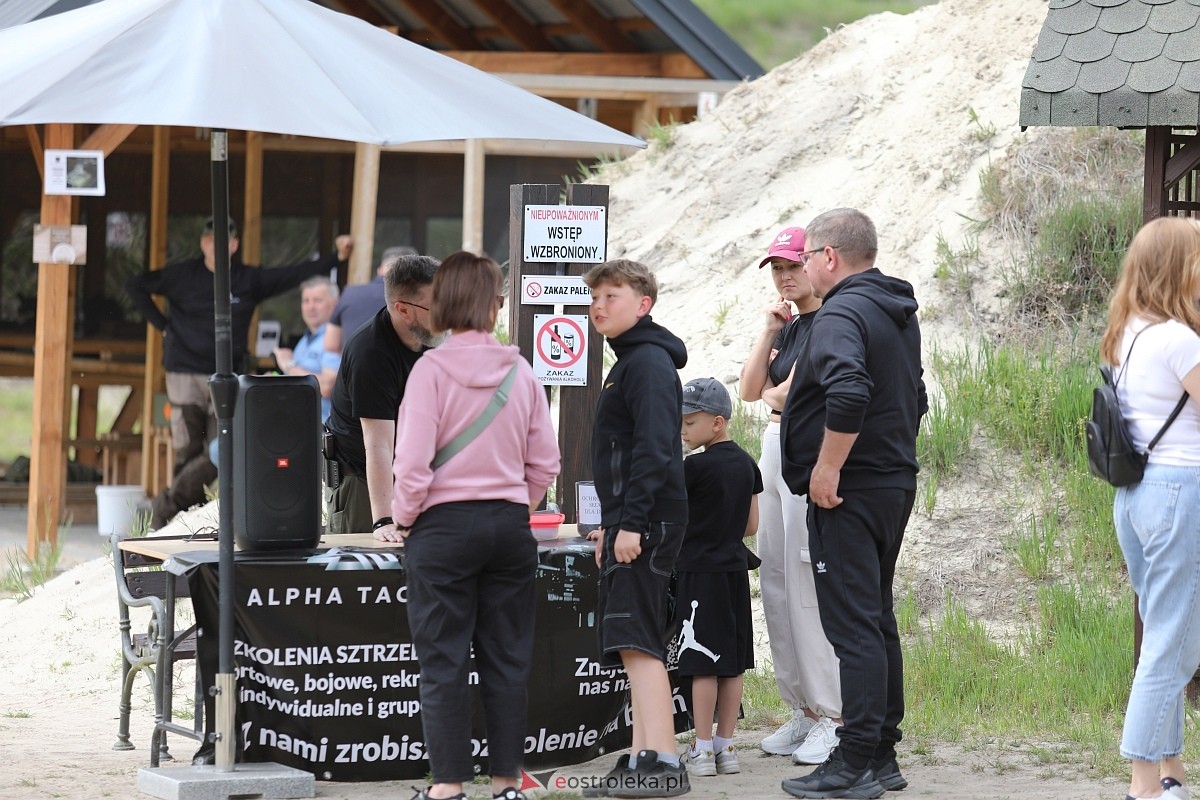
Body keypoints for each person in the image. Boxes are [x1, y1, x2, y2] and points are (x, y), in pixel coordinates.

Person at [377, 251, 560, 800]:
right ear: (493, 306)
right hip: (508, 528)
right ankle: (506, 784)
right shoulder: (521, 372)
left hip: (442, 530)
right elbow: (545, 462)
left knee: (444, 662)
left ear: (444, 304)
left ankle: (449, 787)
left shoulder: (430, 372)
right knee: (508, 660)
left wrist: (405, 518)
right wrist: (515, 505)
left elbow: (410, 466)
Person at [779, 208, 926, 799]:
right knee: (876, 618)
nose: (803, 266)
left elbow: (849, 390)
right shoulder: (895, 310)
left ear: (829, 257)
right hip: (891, 482)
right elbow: (914, 394)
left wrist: (829, 466)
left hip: (850, 489)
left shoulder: (841, 312)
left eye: (806, 256)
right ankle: (882, 754)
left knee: (853, 625)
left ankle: (855, 760)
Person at [126, 216, 352, 527]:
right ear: (203, 243)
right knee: (187, 447)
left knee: (220, 449)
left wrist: (336, 258)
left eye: (223, 241)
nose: (216, 246)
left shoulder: (247, 279)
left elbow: (291, 274)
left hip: (226, 375)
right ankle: (175, 519)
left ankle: (181, 512)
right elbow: (135, 285)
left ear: (234, 245)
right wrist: (163, 327)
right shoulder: (182, 275)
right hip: (184, 374)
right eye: (210, 240)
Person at [1099, 216, 1200, 800]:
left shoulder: (1128, 333)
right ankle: (1143, 786)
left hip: (1136, 495)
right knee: (1172, 643)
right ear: (1179, 267)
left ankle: (1171, 772)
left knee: (1165, 632)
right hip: (1181, 492)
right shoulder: (1181, 340)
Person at [582, 259, 690, 798]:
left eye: (612, 295)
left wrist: (631, 524)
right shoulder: (632, 359)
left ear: (643, 304)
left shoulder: (646, 362)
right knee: (633, 641)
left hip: (648, 519)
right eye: (595, 297)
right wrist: (612, 523)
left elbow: (653, 449)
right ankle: (643, 756)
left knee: (639, 641)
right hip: (634, 517)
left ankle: (663, 763)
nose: (599, 305)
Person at [738, 227, 843, 764]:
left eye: (792, 265)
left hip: (805, 444)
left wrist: (773, 393)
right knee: (775, 574)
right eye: (777, 268)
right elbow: (749, 390)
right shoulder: (791, 324)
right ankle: (801, 708)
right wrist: (767, 331)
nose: (784, 276)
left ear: (816, 263)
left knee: (805, 579)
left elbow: (787, 393)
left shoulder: (830, 320)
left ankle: (832, 714)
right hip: (774, 443)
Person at [675, 377, 762, 779]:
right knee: (731, 664)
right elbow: (751, 525)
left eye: (690, 422)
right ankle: (727, 748)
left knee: (702, 665)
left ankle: (702, 748)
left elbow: (674, 516)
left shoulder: (693, 467)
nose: (683, 430)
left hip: (699, 573)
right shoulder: (746, 463)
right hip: (734, 573)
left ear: (717, 422)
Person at [323, 253, 440, 535]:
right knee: (365, 557)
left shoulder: (434, 337)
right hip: (364, 483)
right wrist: (383, 519)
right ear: (403, 310)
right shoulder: (371, 353)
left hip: (414, 476)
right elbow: (378, 446)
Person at [320, 244, 417, 374]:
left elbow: (330, 345)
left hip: (354, 376)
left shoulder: (349, 294)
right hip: (399, 378)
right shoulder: (419, 300)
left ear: (380, 271)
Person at [273, 275, 338, 420]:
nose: (311, 307)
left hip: (321, 427)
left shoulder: (335, 338)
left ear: (335, 304)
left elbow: (326, 387)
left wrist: (289, 365)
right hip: (295, 420)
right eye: (306, 301)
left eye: (318, 301)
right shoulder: (304, 340)